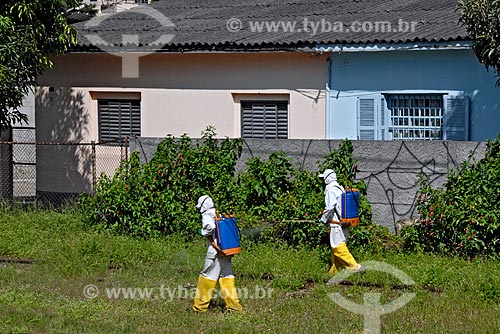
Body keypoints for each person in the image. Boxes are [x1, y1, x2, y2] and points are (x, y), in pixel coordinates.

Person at [192, 195, 243, 313]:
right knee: (227, 277)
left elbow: (210, 227)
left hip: (215, 252)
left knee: (207, 276)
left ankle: (199, 307)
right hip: (225, 250)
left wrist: (203, 232)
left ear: (202, 206)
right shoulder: (217, 213)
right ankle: (234, 307)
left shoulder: (206, 214)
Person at [319, 169, 362, 275]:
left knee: (337, 247)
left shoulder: (331, 190)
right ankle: (333, 272)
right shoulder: (340, 188)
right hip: (344, 223)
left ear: (327, 178)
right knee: (337, 247)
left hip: (336, 224)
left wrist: (323, 219)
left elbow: (330, 207)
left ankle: (355, 267)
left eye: (323, 178)